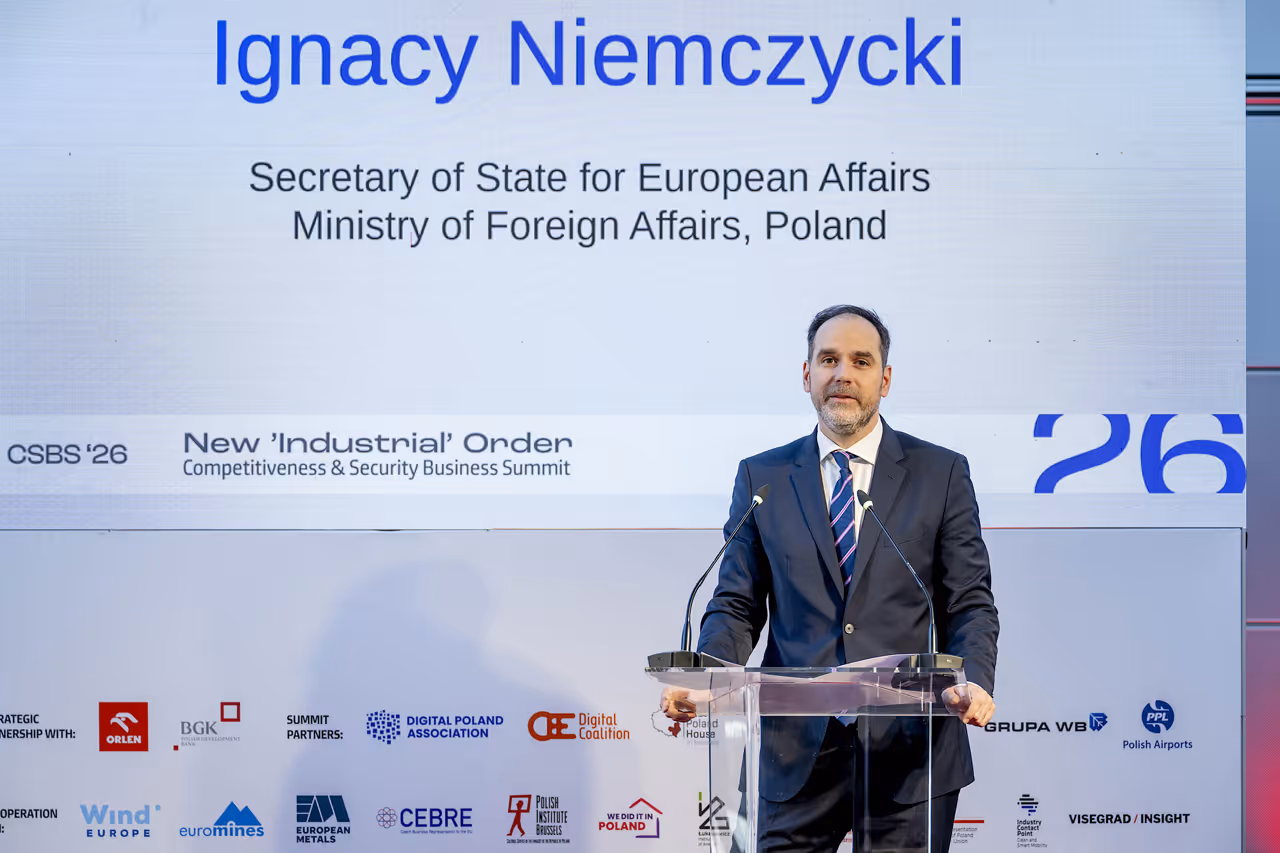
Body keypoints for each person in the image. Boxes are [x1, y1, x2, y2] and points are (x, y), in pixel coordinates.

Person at [662, 305, 999, 853]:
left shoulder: (941, 473)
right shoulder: (762, 476)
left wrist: (975, 679)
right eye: (828, 360)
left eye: (861, 361)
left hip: (910, 750)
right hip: (793, 752)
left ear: (884, 379)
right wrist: (709, 676)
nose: (843, 373)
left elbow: (969, 603)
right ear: (807, 374)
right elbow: (736, 604)